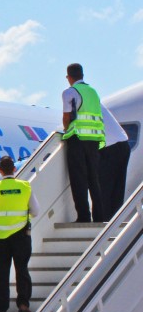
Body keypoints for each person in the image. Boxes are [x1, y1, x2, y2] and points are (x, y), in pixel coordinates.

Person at [0, 155, 39, 312]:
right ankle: (23, 304)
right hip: (21, 235)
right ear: (14, 169)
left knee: (2, 271)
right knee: (21, 269)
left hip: (1, 237)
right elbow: (35, 211)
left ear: (0, 170)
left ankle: (2, 306)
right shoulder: (25, 186)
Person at [62, 63, 107, 223]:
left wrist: (66, 129)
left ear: (69, 77)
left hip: (78, 138)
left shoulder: (70, 92)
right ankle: (100, 216)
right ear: (82, 75)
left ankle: (83, 216)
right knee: (94, 179)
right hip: (94, 139)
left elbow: (67, 117)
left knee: (79, 179)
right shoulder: (93, 92)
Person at [99, 103, 131, 221]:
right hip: (123, 144)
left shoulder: (73, 96)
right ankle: (114, 222)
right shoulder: (91, 95)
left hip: (109, 146)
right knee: (117, 190)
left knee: (104, 189)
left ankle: (104, 223)